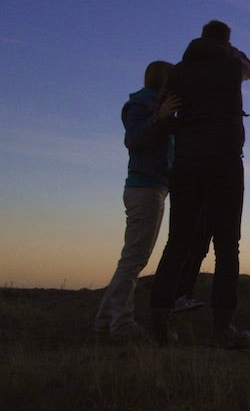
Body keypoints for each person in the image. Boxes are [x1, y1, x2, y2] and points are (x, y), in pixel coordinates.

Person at [149, 20, 250, 348]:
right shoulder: (232, 65)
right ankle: (223, 327)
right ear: (226, 42)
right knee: (227, 245)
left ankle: (160, 324)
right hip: (224, 162)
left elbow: (163, 116)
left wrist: (179, 129)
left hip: (187, 162)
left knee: (177, 240)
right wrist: (229, 50)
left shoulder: (178, 72)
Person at [95, 61, 181, 341]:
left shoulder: (158, 105)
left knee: (134, 258)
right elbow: (133, 140)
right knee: (133, 259)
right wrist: (159, 118)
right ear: (163, 79)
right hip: (143, 188)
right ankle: (121, 323)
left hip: (155, 187)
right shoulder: (140, 105)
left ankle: (105, 321)